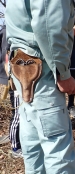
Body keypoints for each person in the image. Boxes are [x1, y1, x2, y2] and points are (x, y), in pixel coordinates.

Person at [5, 0, 75, 173]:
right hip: (41, 68)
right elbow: (48, 29)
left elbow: (32, 21)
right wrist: (63, 74)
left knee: (33, 138)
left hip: (22, 63)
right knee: (57, 146)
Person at [0, 25, 22, 158]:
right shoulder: (9, 30)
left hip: (22, 78)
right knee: (17, 114)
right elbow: (6, 57)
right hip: (14, 79)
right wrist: (10, 78)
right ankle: (15, 147)